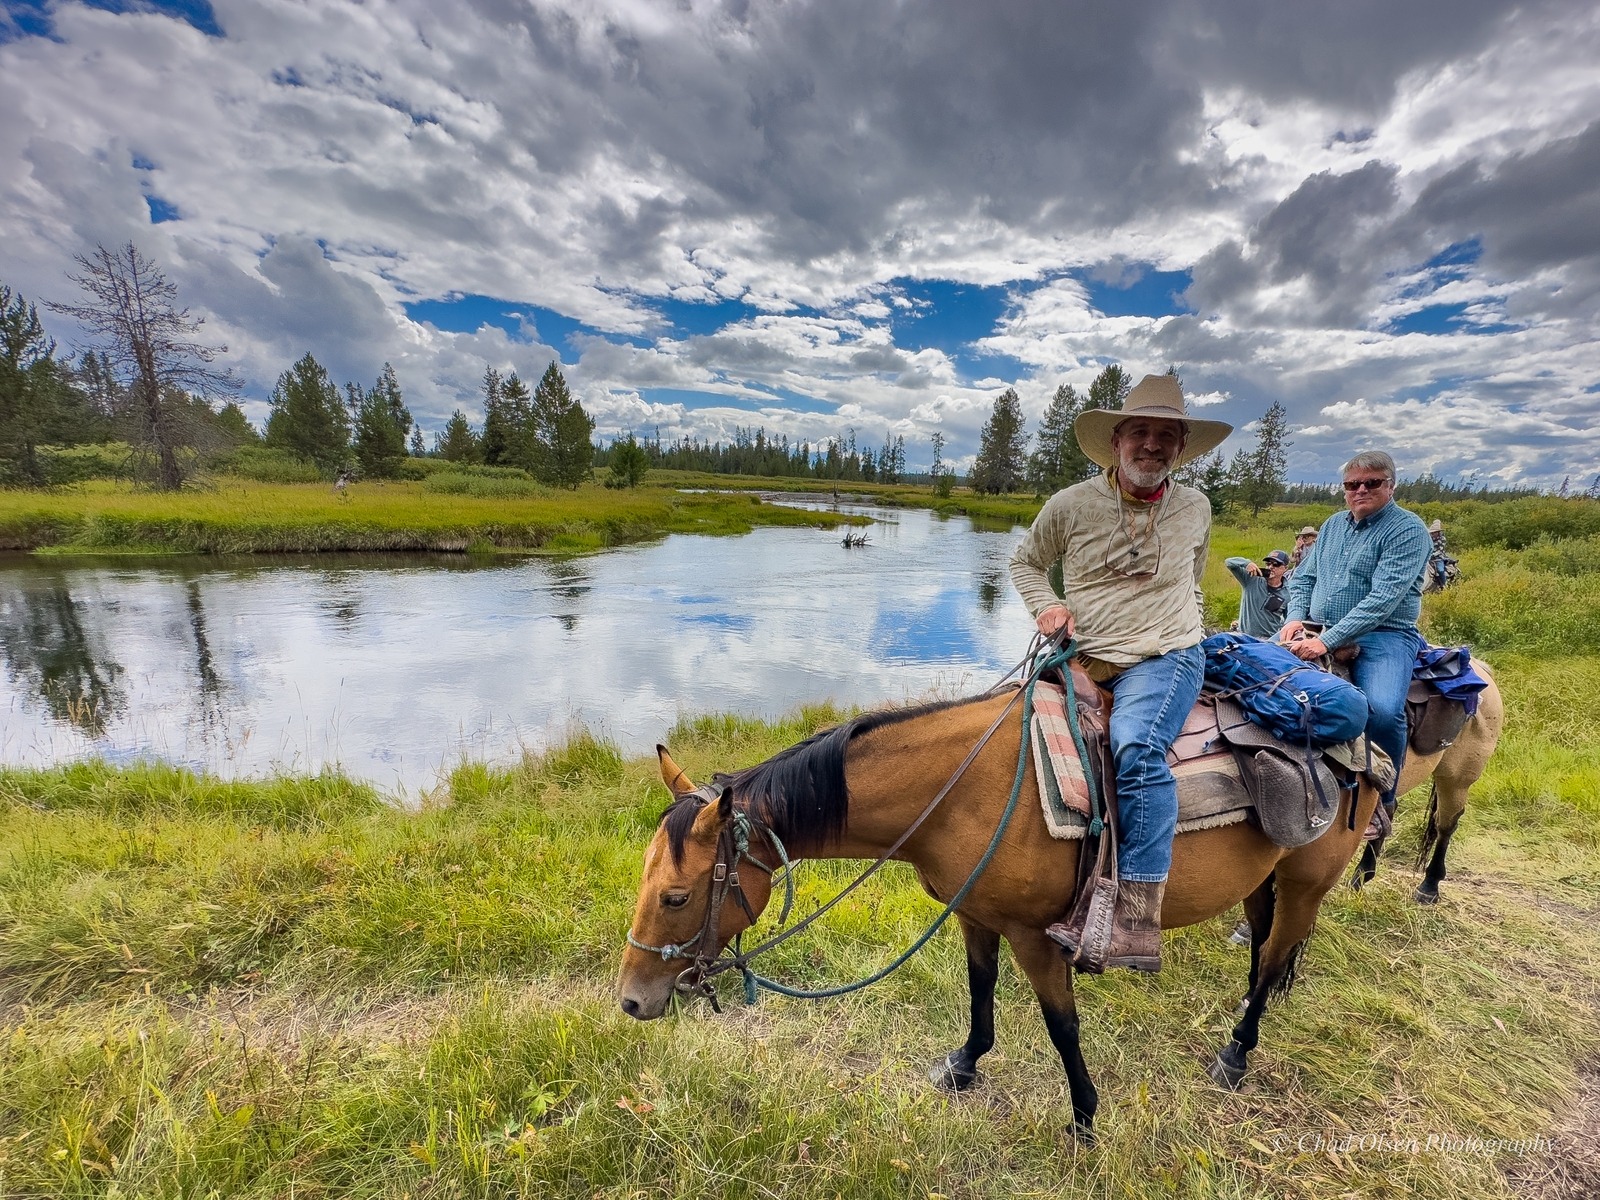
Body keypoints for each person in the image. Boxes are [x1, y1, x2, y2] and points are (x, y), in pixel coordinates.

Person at [1010, 374, 1232, 972]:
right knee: (1003, 735)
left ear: (1182, 447)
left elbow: (1191, 575)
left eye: (1166, 435)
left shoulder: (1196, 507)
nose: (1151, 445)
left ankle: (1136, 915)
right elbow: (1026, 563)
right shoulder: (1070, 505)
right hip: (1082, 655)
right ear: (1116, 440)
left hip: (1167, 656)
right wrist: (1047, 606)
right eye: (1140, 431)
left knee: (1136, 747)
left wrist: (1176, 622)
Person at [1279, 451, 1431, 838]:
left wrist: (1327, 641)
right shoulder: (1331, 526)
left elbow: (1384, 598)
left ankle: (1382, 801)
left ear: (1390, 485)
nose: (1360, 490)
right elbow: (1302, 579)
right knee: (1249, 676)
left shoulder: (1407, 529)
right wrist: (1295, 617)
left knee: (1380, 709)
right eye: (1352, 484)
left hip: (1383, 634)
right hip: (1315, 626)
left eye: (1372, 482)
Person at [1226, 549, 1291, 639]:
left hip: (1269, 640)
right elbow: (1229, 563)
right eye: (1268, 563)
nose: (1271, 567)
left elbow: (1289, 621)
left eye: (1276, 564)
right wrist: (1246, 563)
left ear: (1285, 568)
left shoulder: (1288, 593)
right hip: (1244, 636)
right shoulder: (1252, 579)